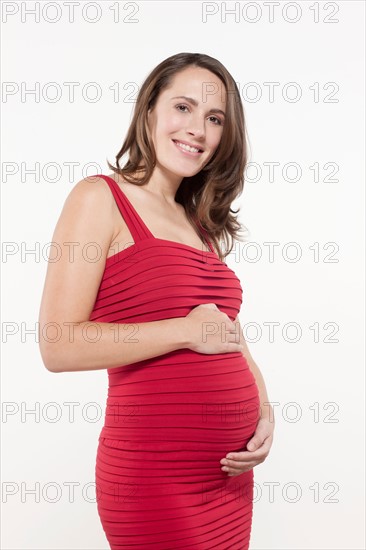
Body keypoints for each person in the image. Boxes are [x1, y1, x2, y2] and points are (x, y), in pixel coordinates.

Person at [38, 52, 274, 550]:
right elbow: (57, 345)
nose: (198, 130)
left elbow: (223, 326)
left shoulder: (198, 222)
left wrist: (263, 409)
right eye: (183, 108)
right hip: (154, 479)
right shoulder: (99, 198)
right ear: (149, 111)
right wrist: (182, 331)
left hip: (228, 482)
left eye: (214, 119)